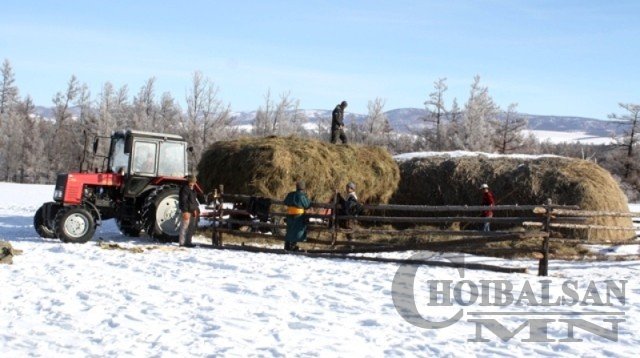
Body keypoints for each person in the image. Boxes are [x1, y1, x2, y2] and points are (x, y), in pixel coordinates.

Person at [283, 181, 311, 251]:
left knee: (290, 230)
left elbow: (285, 202)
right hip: (298, 216)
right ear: (303, 188)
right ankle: (292, 246)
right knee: (297, 231)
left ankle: (287, 245)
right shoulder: (302, 196)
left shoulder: (290, 194)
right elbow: (307, 205)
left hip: (289, 215)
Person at [179, 175, 200, 247]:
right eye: (191, 182)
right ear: (188, 181)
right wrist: (185, 211)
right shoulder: (185, 189)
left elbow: (193, 201)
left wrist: (195, 209)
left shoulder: (193, 190)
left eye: (194, 182)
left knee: (191, 227)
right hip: (187, 211)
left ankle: (188, 242)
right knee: (184, 227)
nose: (193, 183)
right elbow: (183, 201)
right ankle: (182, 243)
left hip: (192, 211)